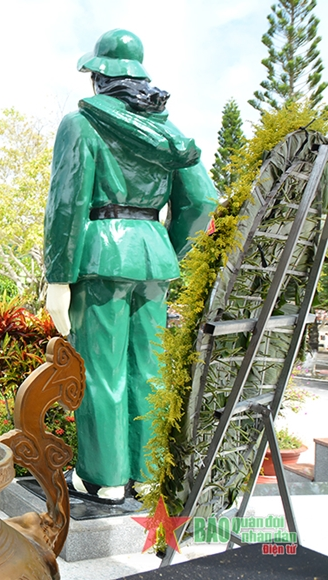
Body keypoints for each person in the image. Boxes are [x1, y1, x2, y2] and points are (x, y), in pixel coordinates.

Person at [43, 29, 217, 503]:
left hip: (101, 259)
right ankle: (147, 474)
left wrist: (58, 276)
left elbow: (67, 204)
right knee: (151, 370)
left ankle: (105, 478)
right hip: (153, 259)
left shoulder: (82, 124)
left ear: (98, 78)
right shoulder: (169, 132)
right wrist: (164, 247)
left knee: (102, 370)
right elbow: (202, 201)